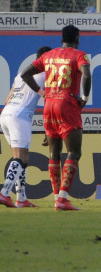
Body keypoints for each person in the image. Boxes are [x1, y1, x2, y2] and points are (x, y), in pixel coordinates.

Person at [21, 25, 91, 211]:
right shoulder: (79, 55)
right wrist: (84, 99)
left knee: (54, 153)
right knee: (74, 152)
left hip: (49, 105)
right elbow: (86, 74)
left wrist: (42, 93)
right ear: (77, 39)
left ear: (61, 39)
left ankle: (56, 198)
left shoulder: (48, 56)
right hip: (67, 105)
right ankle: (63, 198)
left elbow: (24, 74)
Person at [0, 46, 51, 208]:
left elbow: (8, 97)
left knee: (22, 157)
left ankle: (21, 198)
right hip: (20, 116)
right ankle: (4, 193)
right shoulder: (45, 76)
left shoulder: (19, 77)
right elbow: (49, 102)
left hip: (6, 114)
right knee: (20, 158)